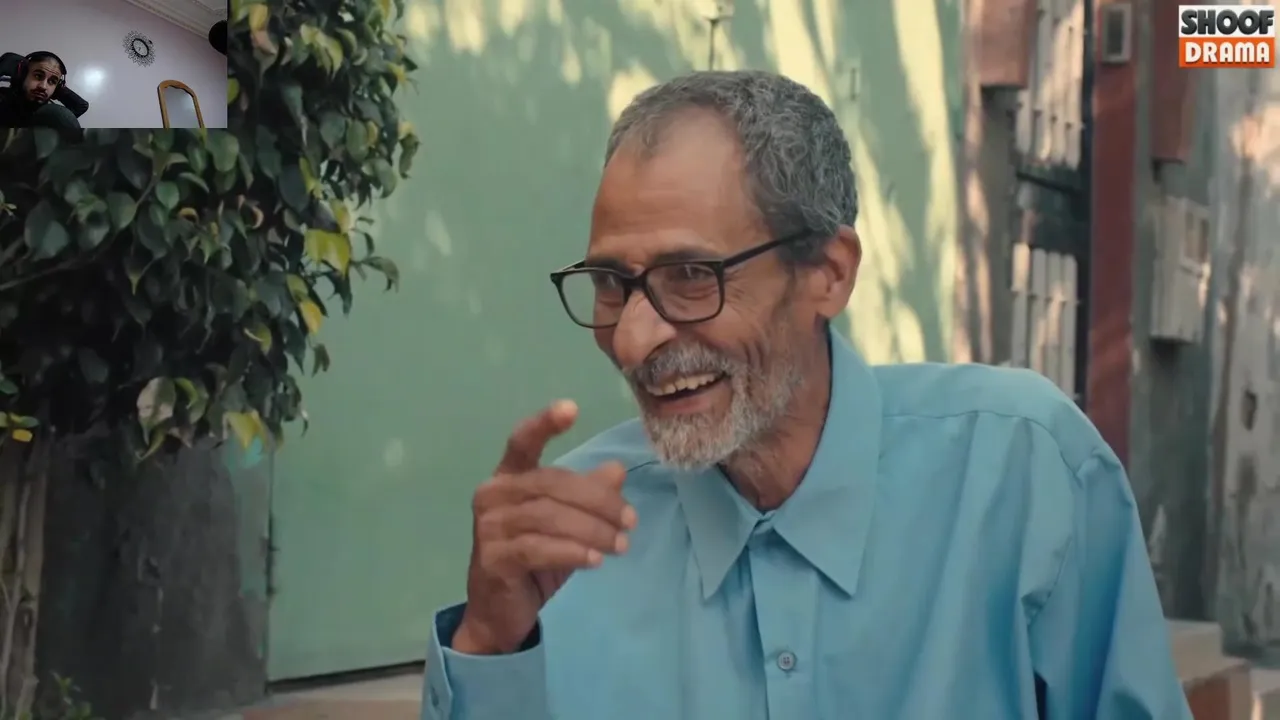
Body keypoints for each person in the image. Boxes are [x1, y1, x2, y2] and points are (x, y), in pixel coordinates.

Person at [422, 70, 1191, 719]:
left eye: (691, 276)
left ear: (828, 273)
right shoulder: (567, 546)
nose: (632, 339)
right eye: (611, 283)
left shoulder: (1022, 474)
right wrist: (490, 644)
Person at [0, 51, 87, 132]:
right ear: (22, 75)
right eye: (38, 76)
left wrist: (57, 89)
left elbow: (80, 106)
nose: (43, 86)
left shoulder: (49, 115)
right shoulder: (3, 99)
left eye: (52, 81)